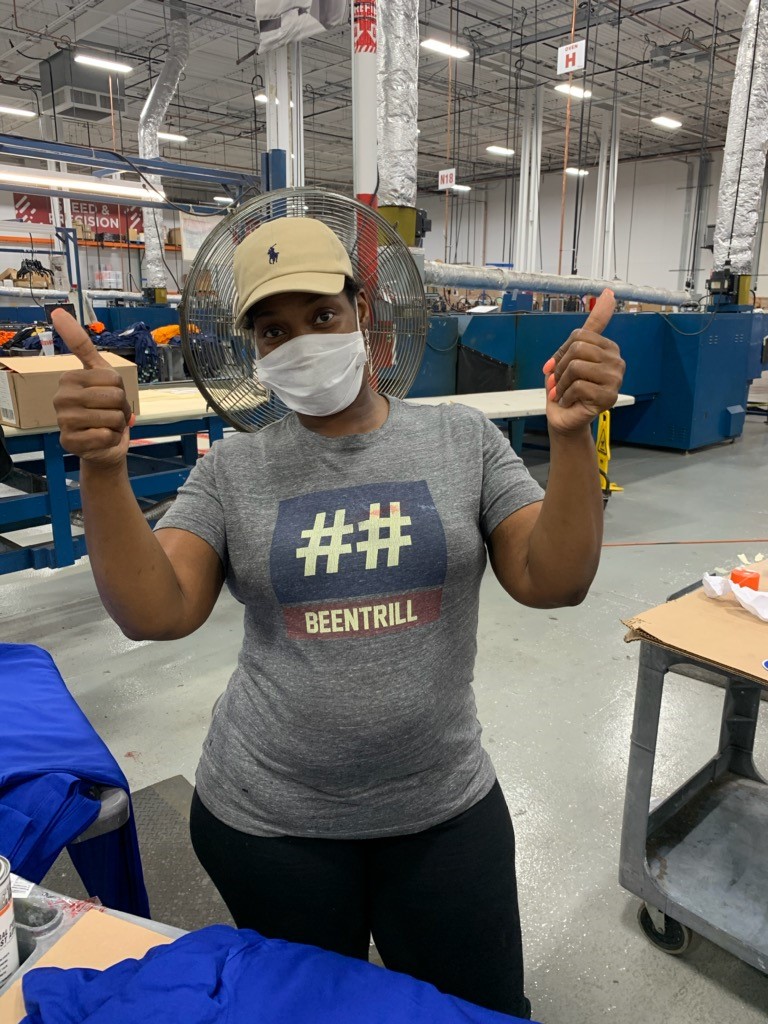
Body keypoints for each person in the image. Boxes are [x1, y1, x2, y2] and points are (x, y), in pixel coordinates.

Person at [52, 216, 625, 1019]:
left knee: (481, 1007)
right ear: (254, 351)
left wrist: (571, 439)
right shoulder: (236, 468)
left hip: (440, 807)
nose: (302, 342)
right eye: (273, 330)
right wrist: (103, 470)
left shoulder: (461, 441)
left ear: (364, 314)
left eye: (322, 315)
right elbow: (157, 611)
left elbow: (553, 580)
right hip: (269, 822)